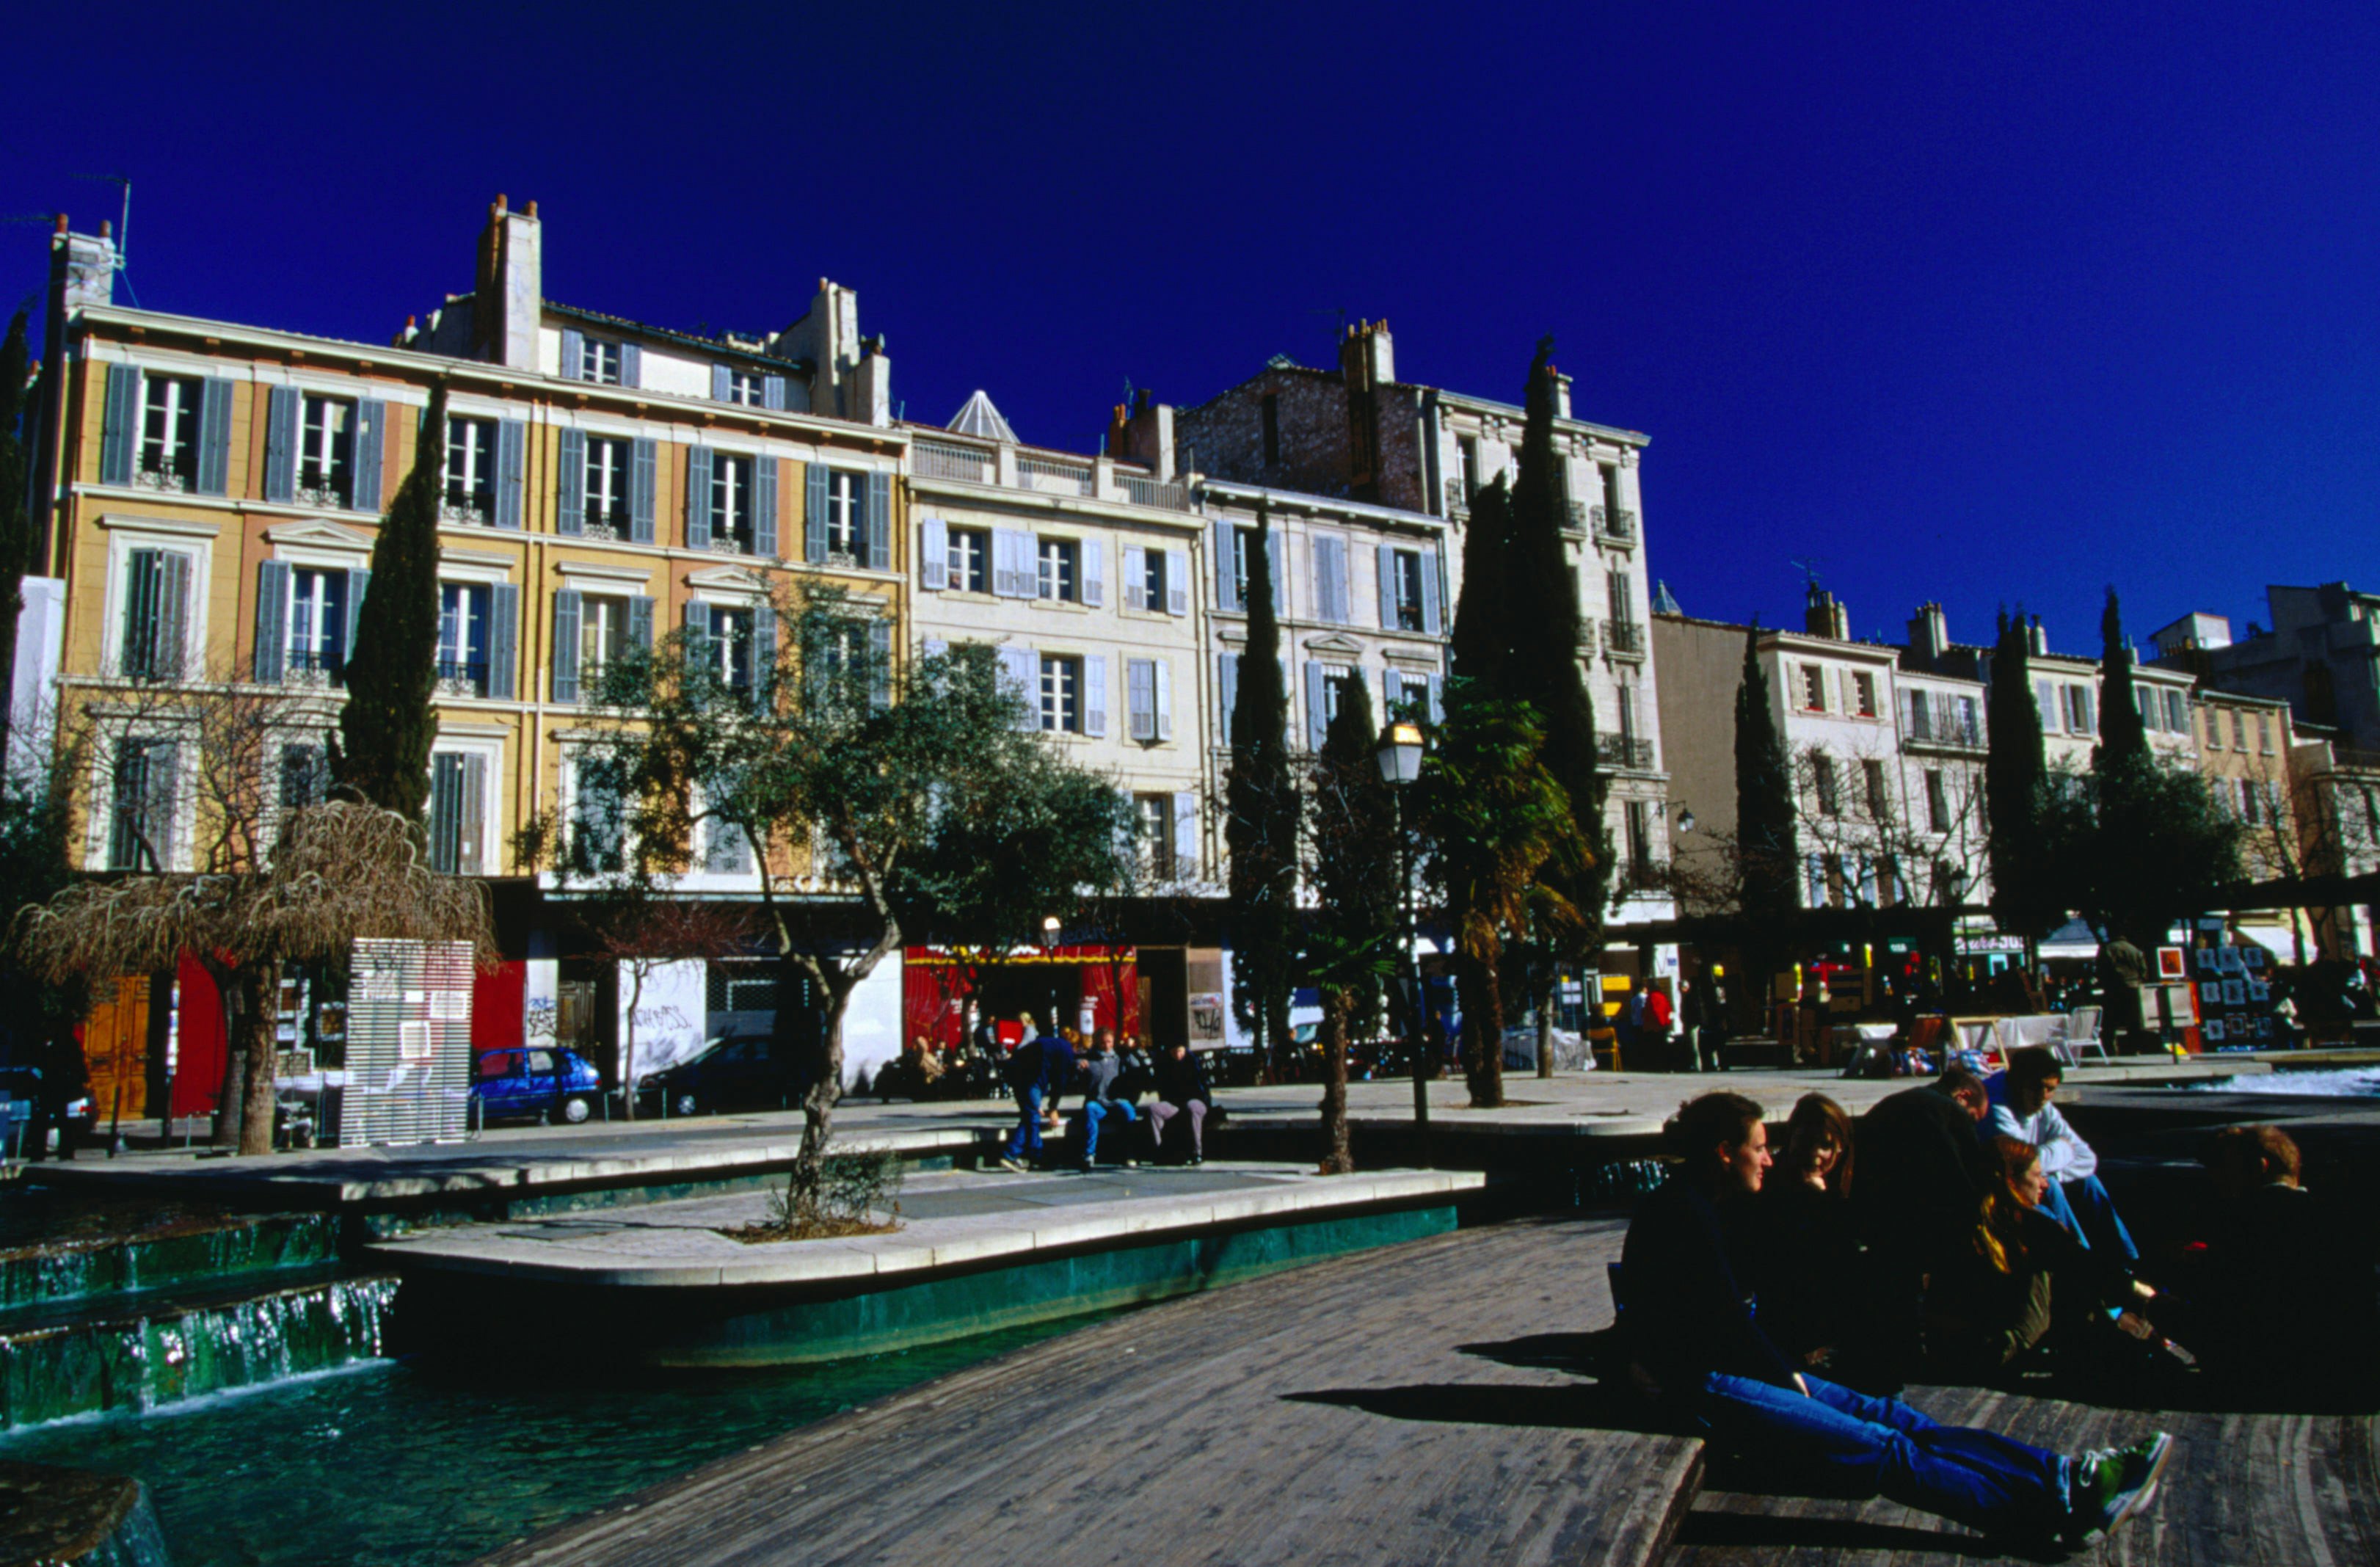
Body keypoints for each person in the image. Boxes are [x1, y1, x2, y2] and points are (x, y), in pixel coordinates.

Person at [1617, 1092, 2174, 1545]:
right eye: (1760, 1148)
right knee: (1881, 1447)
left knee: (1901, 1419)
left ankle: (2063, 1475)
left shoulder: (1710, 1205)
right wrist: (1782, 1374)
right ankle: (2044, 1511)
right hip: (1707, 1382)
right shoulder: (1679, 1213)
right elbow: (1709, 1316)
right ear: (1724, 1152)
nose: (1769, 1158)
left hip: (1744, 1364)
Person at [1855, 1066, 1993, 1384]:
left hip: (1877, 1216)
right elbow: (1965, 1179)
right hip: (1923, 1221)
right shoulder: (1949, 1112)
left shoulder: (1893, 1104)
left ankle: (1900, 1354)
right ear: (1964, 1096)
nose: (1973, 1123)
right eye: (1974, 1116)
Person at [1986, 1050, 2139, 1277]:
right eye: (2036, 1088)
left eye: (2050, 1089)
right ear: (2018, 1084)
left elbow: (2087, 1158)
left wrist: (2047, 1169)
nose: (2042, 1097)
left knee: (2088, 1181)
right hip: (2002, 1187)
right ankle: (2082, 1262)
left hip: (2032, 1177)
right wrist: (2062, 1151)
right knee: (2052, 1188)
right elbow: (2022, 1163)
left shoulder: (2044, 1108)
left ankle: (2126, 1260)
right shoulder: (1997, 1106)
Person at [1753, 1094, 1862, 1373]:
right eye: (1805, 1143)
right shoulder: (1771, 1184)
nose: (1814, 1155)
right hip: (1790, 1318)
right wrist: (1816, 1201)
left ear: (1841, 1146)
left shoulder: (1851, 1181)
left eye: (1825, 1145)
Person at [999, 1017, 1074, 1172]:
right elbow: (1060, 1082)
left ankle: (1030, 1154)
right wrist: (1053, 1108)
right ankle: (1018, 1155)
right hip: (1031, 1078)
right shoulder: (1067, 1051)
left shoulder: (1052, 1044)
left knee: (1029, 1116)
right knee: (1032, 1117)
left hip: (1017, 1072)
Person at [1073, 1028, 1139, 1171]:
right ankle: (1089, 1154)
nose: (1107, 1046)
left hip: (1116, 1101)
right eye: (1103, 1043)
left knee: (1128, 1110)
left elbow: (1136, 1066)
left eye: (1109, 1042)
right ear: (1097, 1042)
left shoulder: (1119, 1057)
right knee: (1090, 1108)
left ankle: (1130, 1153)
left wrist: (1127, 1052)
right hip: (1098, 1102)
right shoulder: (1090, 1058)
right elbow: (1075, 1071)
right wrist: (1079, 1066)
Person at [1148, 1041, 1212, 1165]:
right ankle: (1159, 1151)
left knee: (1193, 1107)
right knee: (1154, 1108)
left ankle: (1197, 1152)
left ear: (1185, 1050)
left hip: (1196, 1101)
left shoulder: (1194, 1064)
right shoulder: (1165, 1067)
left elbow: (1203, 1089)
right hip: (1175, 1104)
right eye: (1174, 1052)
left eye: (1180, 1051)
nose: (1178, 1055)